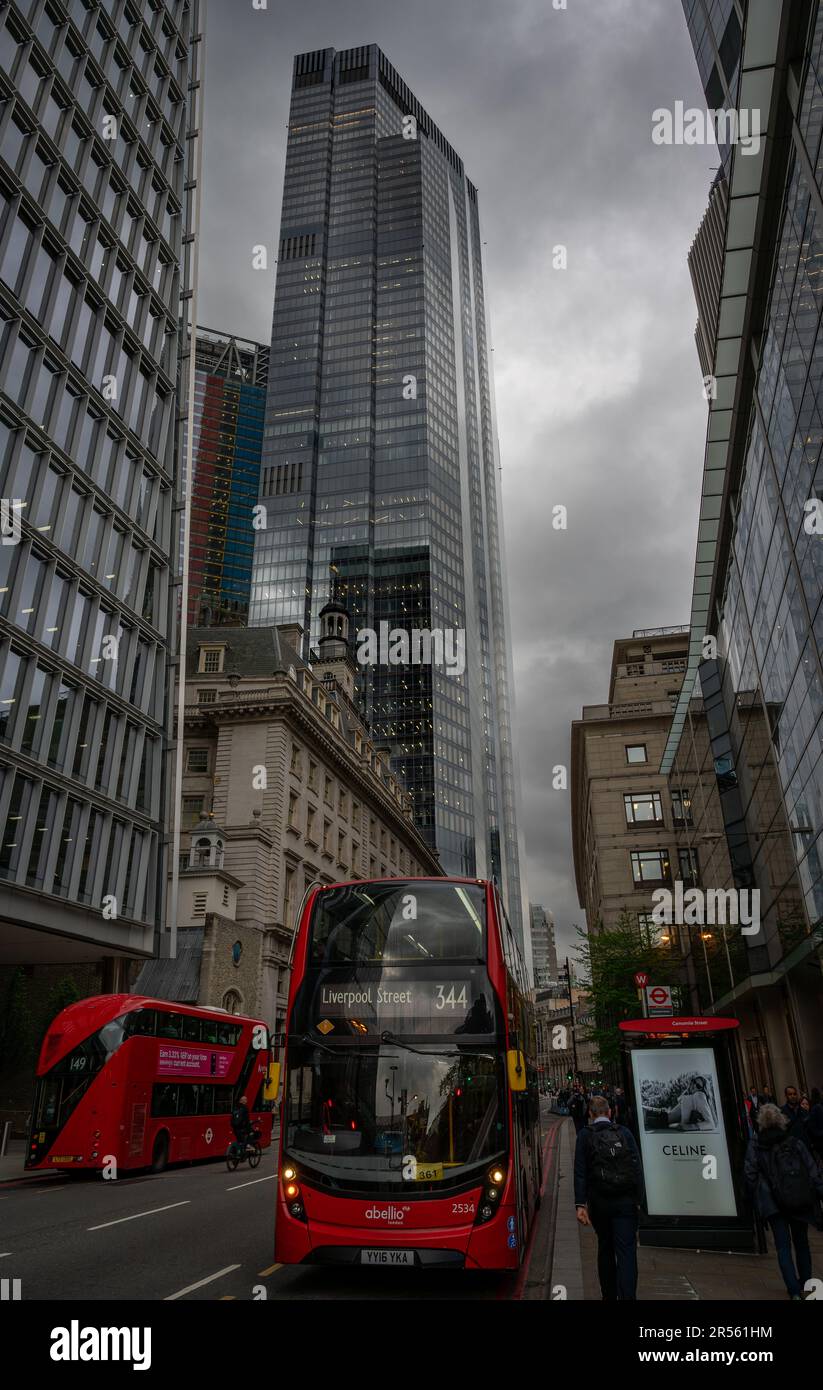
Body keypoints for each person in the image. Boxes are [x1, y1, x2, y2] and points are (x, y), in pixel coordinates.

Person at [744, 1102, 823, 1300]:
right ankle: (805, 1283)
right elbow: (812, 1171)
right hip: (798, 1198)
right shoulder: (794, 1141)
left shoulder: (756, 1143)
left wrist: (753, 1197)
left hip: (772, 1202)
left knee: (782, 1246)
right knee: (802, 1242)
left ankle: (793, 1290)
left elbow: (750, 1173)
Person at [574, 1095, 643, 1300]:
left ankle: (609, 1296)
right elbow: (637, 1168)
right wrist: (638, 1200)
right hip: (626, 1203)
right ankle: (628, 1296)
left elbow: (580, 1172)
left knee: (605, 1248)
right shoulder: (624, 1132)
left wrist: (580, 1204)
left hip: (600, 1203)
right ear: (610, 1112)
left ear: (590, 1114)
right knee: (627, 1252)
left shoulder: (585, 1135)